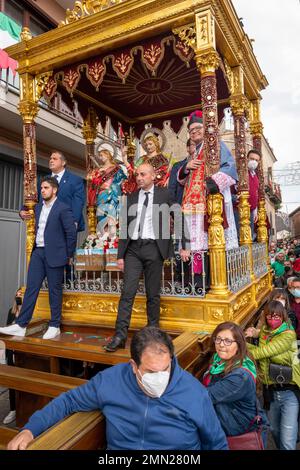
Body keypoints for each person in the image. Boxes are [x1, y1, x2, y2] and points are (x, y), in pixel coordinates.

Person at [7, 327, 228, 450]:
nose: (161, 377)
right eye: (151, 372)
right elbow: (69, 401)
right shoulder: (111, 381)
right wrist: (31, 429)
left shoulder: (194, 393)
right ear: (134, 366)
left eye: (166, 369)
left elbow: (217, 444)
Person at [104, 163, 190, 352]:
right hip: (133, 250)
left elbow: (178, 217)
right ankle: (119, 335)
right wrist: (121, 256)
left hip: (154, 249)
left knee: (153, 294)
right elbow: (124, 228)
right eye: (137, 175)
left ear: (153, 176)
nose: (139, 178)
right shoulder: (131, 197)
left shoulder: (165, 194)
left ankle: (152, 333)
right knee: (127, 293)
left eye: (143, 174)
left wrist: (185, 245)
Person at [0, 177, 77, 340]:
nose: (42, 190)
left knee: (54, 291)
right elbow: (25, 208)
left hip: (56, 255)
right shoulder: (39, 206)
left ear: (54, 190)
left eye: (46, 188)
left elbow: (71, 234)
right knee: (31, 289)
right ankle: (21, 325)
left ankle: (54, 325)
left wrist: (68, 255)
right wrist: (21, 212)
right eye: (41, 188)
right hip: (38, 253)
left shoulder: (63, 208)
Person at [177, 110, 238, 278]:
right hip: (191, 205)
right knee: (195, 246)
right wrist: (186, 168)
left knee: (211, 243)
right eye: (191, 130)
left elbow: (230, 167)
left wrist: (212, 183)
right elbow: (183, 181)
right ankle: (199, 281)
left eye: (198, 128)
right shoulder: (195, 151)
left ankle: (215, 279)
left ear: (205, 128)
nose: (194, 131)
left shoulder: (215, 145)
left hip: (210, 201)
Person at [201, 322, 268, 446]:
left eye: (228, 341)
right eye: (218, 339)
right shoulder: (218, 360)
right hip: (226, 426)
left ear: (238, 344)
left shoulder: (240, 377)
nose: (221, 345)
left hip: (238, 433)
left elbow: (206, 396)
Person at [245, 300, 300, 450]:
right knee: (274, 430)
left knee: (288, 439)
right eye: (269, 317)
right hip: (271, 391)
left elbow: (262, 353)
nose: (273, 320)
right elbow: (259, 352)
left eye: (276, 317)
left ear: (283, 316)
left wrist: (240, 346)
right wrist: (240, 342)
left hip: (289, 390)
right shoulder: (264, 331)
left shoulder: (288, 334)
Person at [20, 150, 85, 232]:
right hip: (43, 224)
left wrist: (74, 222)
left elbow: (78, 203)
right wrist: (23, 210)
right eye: (50, 159)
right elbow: (34, 197)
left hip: (64, 225)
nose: (51, 160)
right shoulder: (43, 180)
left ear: (63, 162)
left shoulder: (75, 180)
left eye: (55, 159)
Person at [87, 145, 126, 238]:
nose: (101, 157)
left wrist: (114, 187)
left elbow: (123, 180)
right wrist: (92, 177)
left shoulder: (116, 168)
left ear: (108, 155)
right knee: (101, 214)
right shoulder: (98, 169)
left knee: (111, 215)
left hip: (112, 194)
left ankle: (111, 237)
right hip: (101, 194)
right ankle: (102, 235)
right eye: (99, 155)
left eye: (102, 155)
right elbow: (92, 181)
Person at [1, 288, 23, 425]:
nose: (19, 296)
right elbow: (7, 329)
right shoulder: (11, 311)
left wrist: (22, 307)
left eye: (22, 294)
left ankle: (23, 410)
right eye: (18, 294)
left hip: (22, 352)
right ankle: (13, 409)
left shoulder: (30, 312)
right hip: (11, 350)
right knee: (12, 382)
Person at [168, 139, 196, 205]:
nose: (197, 147)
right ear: (188, 148)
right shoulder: (177, 166)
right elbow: (171, 190)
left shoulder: (205, 166)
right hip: (181, 207)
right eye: (194, 145)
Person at [247, 149, 261, 240]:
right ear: (247, 159)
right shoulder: (241, 172)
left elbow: (256, 193)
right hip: (238, 209)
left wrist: (255, 210)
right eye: (252, 159)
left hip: (251, 211)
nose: (254, 162)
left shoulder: (255, 176)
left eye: (256, 160)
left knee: (249, 236)